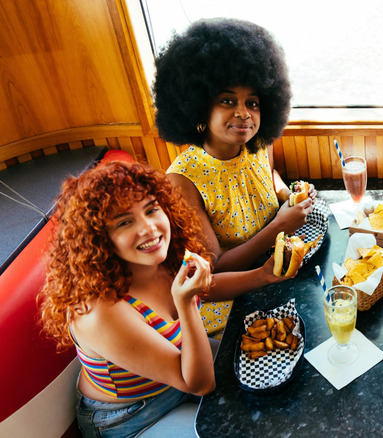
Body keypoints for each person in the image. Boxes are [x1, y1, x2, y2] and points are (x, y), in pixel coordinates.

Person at [38, 162, 285, 437]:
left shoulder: (158, 258)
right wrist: (187, 304)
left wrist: (263, 275)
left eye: (151, 209)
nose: (149, 228)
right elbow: (199, 384)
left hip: (182, 372)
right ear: (99, 238)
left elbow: (206, 287)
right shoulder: (100, 312)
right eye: (124, 222)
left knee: (273, 378)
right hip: (134, 417)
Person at [153, 18, 315, 336]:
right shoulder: (182, 181)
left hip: (281, 274)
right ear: (199, 108)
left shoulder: (257, 144)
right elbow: (213, 271)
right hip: (231, 312)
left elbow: (269, 176)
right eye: (228, 101)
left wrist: (287, 193)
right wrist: (280, 225)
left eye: (252, 103)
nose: (243, 112)